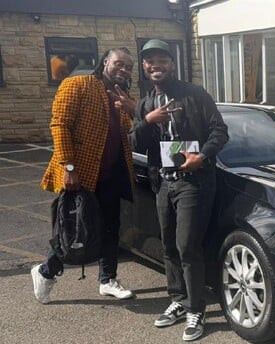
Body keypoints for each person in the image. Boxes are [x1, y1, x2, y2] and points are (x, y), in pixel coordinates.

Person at [129, 39, 229, 341]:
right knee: (169, 246)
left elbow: (219, 131)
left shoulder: (195, 94)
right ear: (145, 67)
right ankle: (177, 298)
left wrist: (204, 155)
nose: (155, 65)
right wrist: (149, 120)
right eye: (149, 61)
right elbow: (134, 141)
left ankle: (195, 309)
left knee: (187, 246)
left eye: (161, 59)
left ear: (172, 64)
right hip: (163, 181)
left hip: (193, 183)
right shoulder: (146, 103)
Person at [31, 47, 137, 304]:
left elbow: (129, 130)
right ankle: (46, 271)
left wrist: (132, 109)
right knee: (75, 230)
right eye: (119, 64)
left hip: (112, 175)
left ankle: (107, 280)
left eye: (128, 67)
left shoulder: (123, 95)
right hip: (81, 174)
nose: (123, 70)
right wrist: (69, 167)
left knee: (110, 229)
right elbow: (60, 124)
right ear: (105, 62)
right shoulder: (78, 84)